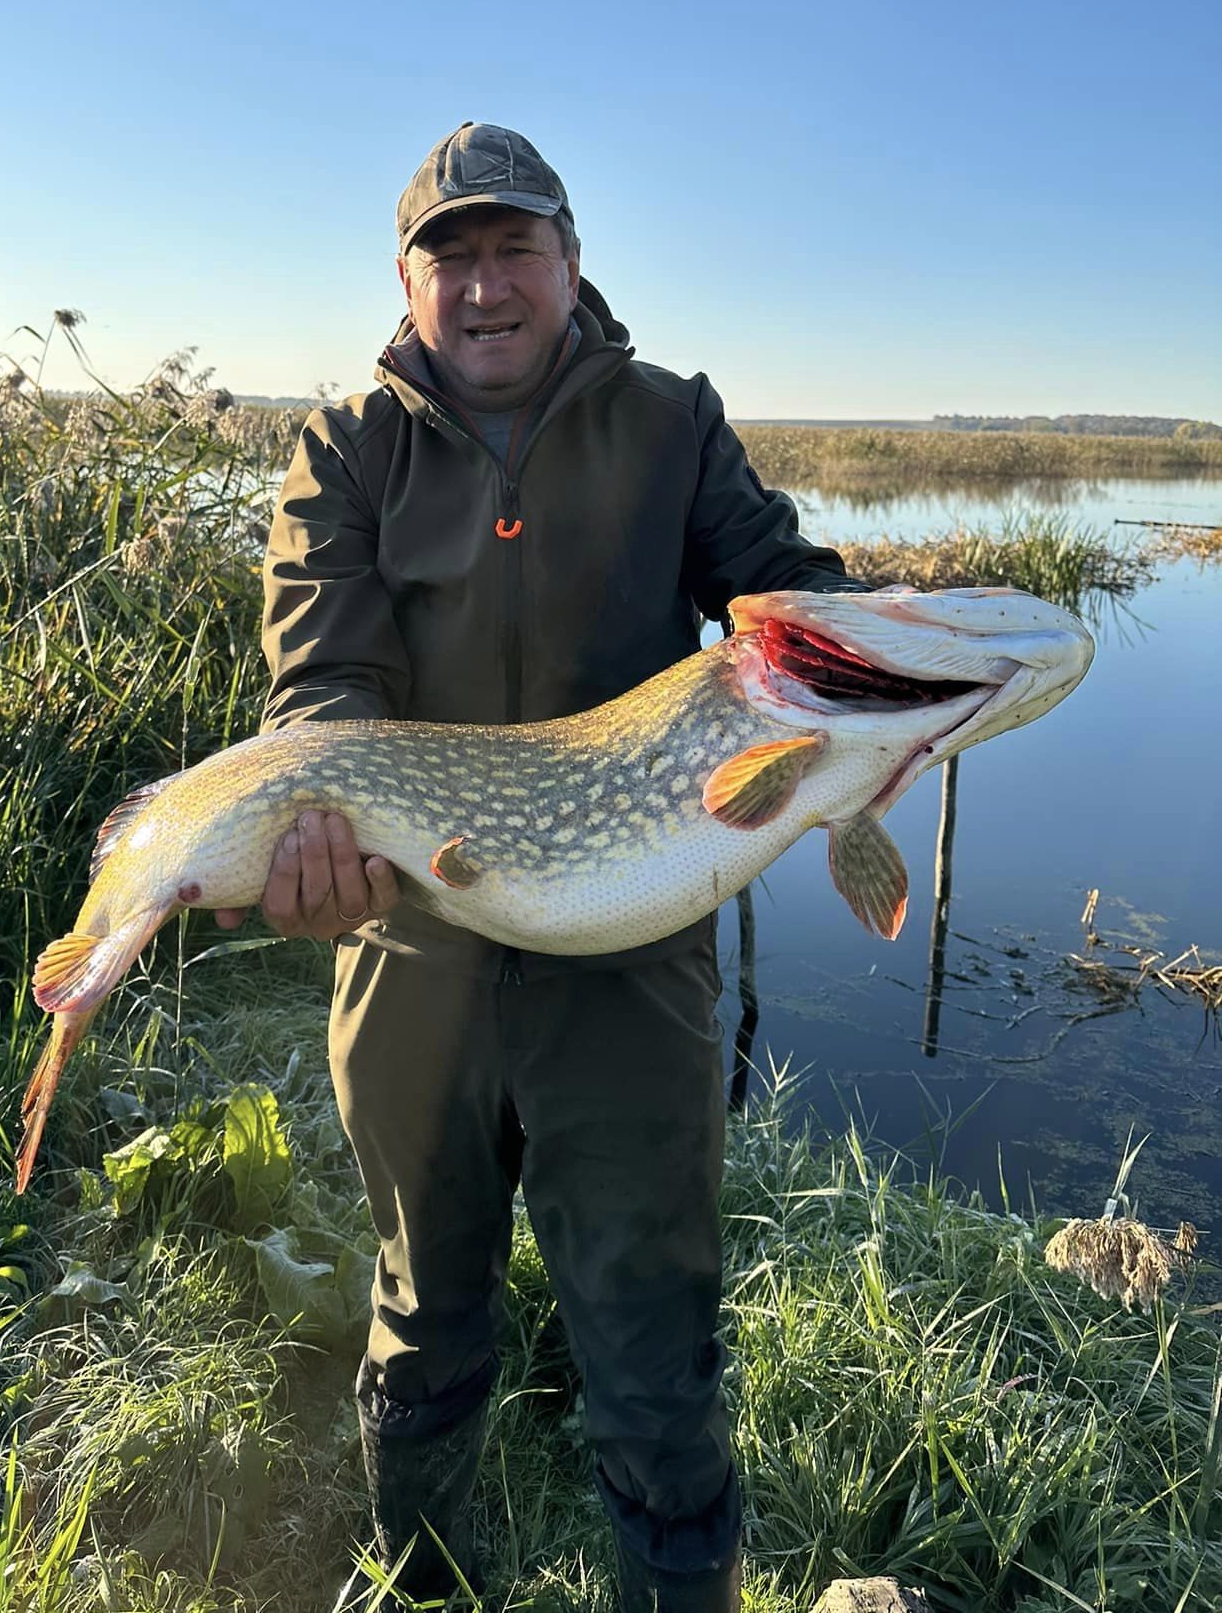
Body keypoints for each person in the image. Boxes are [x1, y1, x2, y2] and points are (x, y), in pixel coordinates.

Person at [232, 124, 865, 1610]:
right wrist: (326, 815)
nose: (488, 283)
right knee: (424, 1307)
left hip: (629, 953)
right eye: (452, 255)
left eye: (516, 247)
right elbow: (323, 684)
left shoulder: (670, 420)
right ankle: (423, 1578)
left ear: (574, 265)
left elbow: (776, 595)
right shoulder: (346, 444)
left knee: (652, 1338)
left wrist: (892, 652)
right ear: (409, 282)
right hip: (408, 948)